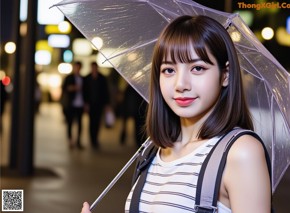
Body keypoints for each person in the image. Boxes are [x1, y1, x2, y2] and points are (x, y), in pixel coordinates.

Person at [81, 15, 271, 213]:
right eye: (169, 70)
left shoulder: (240, 153)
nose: (181, 85)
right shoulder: (153, 152)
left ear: (225, 75)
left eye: (197, 68)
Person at [83, 61, 110, 149]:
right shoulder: (87, 78)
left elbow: (106, 92)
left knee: (97, 122)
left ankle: (95, 139)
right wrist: (86, 103)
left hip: (99, 104)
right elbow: (85, 92)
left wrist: (106, 104)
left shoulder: (102, 78)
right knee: (91, 122)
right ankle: (92, 139)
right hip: (90, 104)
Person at [61, 61, 85, 149]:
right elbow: (64, 88)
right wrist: (73, 88)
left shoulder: (83, 78)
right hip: (71, 104)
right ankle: (70, 140)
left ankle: (78, 141)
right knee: (70, 123)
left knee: (80, 123)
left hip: (80, 104)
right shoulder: (69, 78)